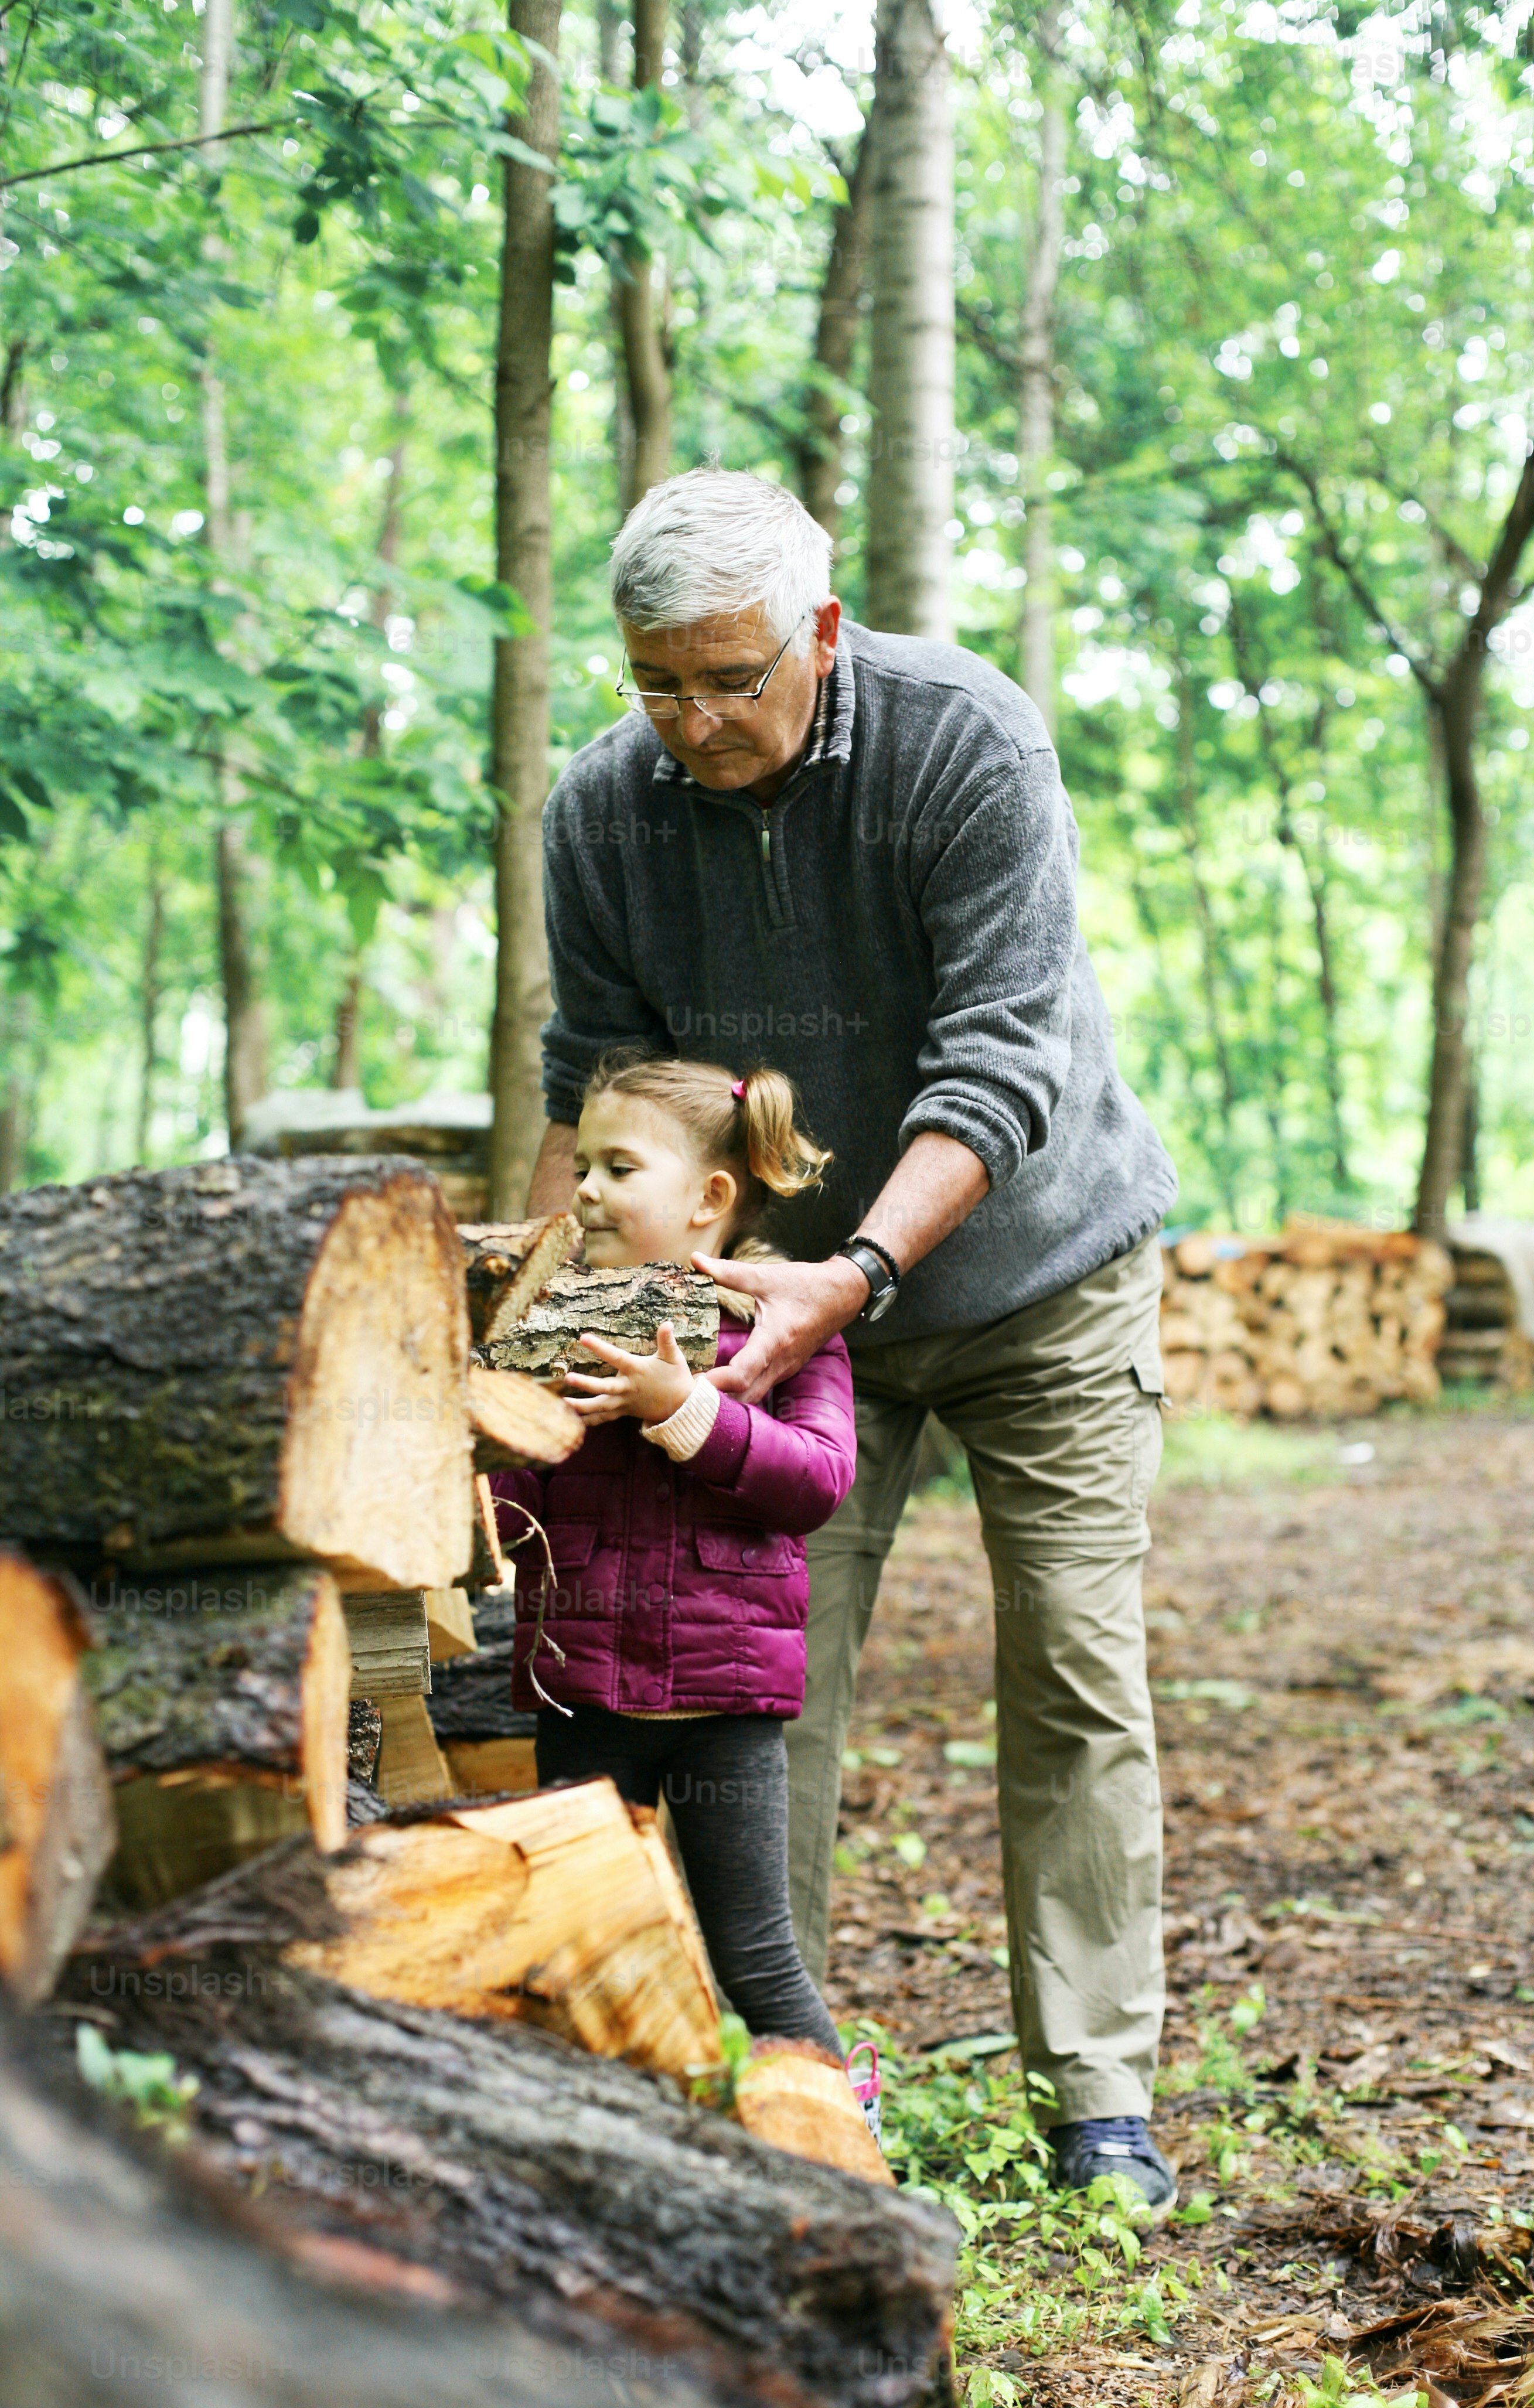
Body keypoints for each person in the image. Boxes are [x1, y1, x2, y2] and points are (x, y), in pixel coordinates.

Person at [526, 468, 1181, 2208]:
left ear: (821, 632)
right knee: (750, 1679)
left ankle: (1102, 2097)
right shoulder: (603, 809)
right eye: (658, 680)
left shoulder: (966, 740)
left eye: (733, 678)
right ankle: (778, 2070)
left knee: (1070, 1670)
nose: (693, 718)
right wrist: (536, 1329)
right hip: (771, 1318)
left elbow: (1010, 1052)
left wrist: (864, 1270)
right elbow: (591, 1081)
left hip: (1042, 1277)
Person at [490, 1050, 855, 2064]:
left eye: (619, 1169)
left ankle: (840, 2136)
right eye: (585, 1168)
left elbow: (817, 1482)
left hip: (723, 1712)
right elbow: (522, 1495)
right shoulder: (554, 1327)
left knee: (756, 1956)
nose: (588, 1191)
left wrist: (686, 1410)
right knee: (586, 1946)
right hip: (582, 1701)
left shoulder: (785, 1332)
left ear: (711, 1198)